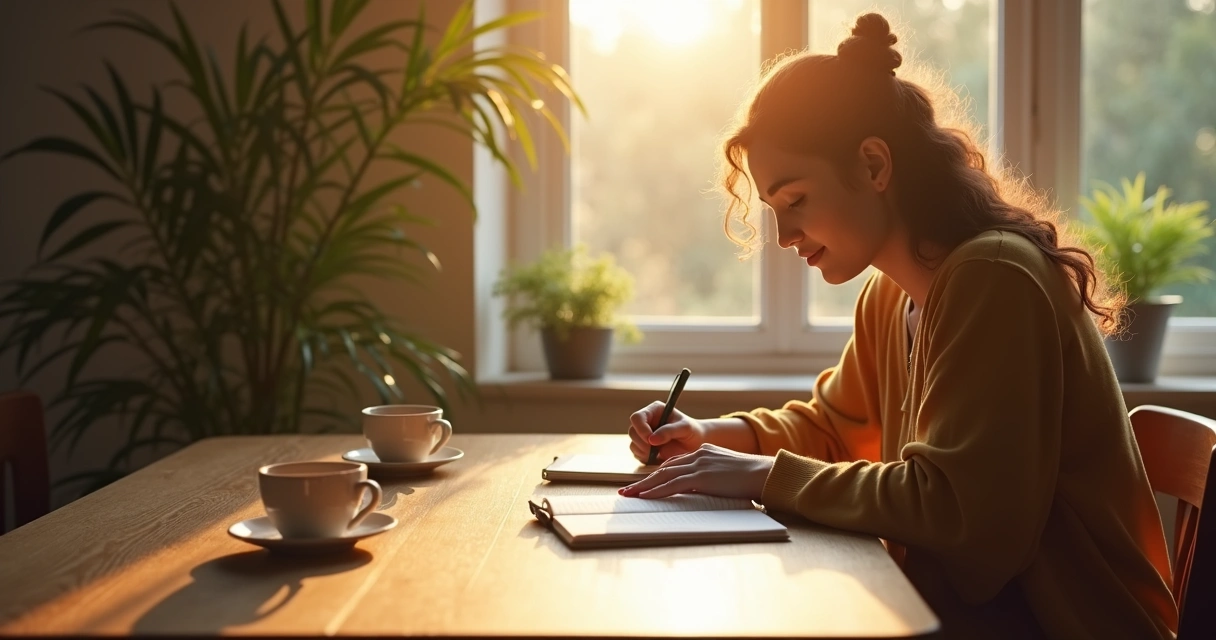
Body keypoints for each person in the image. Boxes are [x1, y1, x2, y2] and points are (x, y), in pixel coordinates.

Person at [620, 13, 1177, 640]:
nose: (784, 236)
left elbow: (964, 515)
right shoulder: (892, 295)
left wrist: (761, 473)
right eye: (775, 210)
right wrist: (713, 436)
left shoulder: (993, 277)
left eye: (796, 199)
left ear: (874, 164)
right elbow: (837, 428)